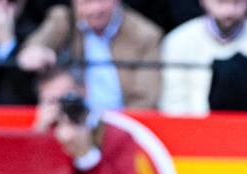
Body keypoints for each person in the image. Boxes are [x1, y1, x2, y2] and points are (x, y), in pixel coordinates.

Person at [16, 0, 162, 113]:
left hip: (122, 124)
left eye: (101, 1)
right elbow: (34, 47)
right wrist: (37, 52)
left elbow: (145, 99)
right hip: (71, 120)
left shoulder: (145, 35)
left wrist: (111, 129)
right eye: (87, 2)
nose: (95, 9)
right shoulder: (64, 19)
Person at [158, 0, 247, 114]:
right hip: (190, 129)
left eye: (237, 2)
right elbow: (173, 104)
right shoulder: (178, 41)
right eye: (221, 2)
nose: (229, 11)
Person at [33, 66, 138, 174]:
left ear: (84, 90)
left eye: (68, 98)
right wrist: (39, 140)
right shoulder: (43, 132)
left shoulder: (116, 134)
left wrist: (85, 154)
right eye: (52, 101)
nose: (62, 108)